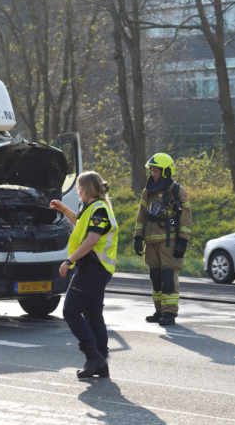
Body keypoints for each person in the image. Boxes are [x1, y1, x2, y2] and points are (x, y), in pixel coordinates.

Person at [51, 171, 118, 379]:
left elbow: (91, 240)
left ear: (86, 189)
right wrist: (64, 209)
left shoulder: (98, 210)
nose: (78, 190)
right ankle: (101, 362)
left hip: (92, 268)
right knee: (93, 315)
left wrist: (69, 260)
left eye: (79, 186)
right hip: (98, 269)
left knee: (71, 311)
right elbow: (81, 224)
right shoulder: (94, 207)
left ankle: (93, 356)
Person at [133, 153, 192, 326]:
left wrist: (183, 241)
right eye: (151, 171)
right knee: (155, 277)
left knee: (168, 276)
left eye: (156, 171)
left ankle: (169, 313)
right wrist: (138, 237)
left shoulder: (177, 191)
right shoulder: (148, 191)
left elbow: (186, 218)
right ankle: (159, 311)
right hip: (151, 243)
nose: (152, 174)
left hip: (169, 242)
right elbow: (141, 215)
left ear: (166, 171)